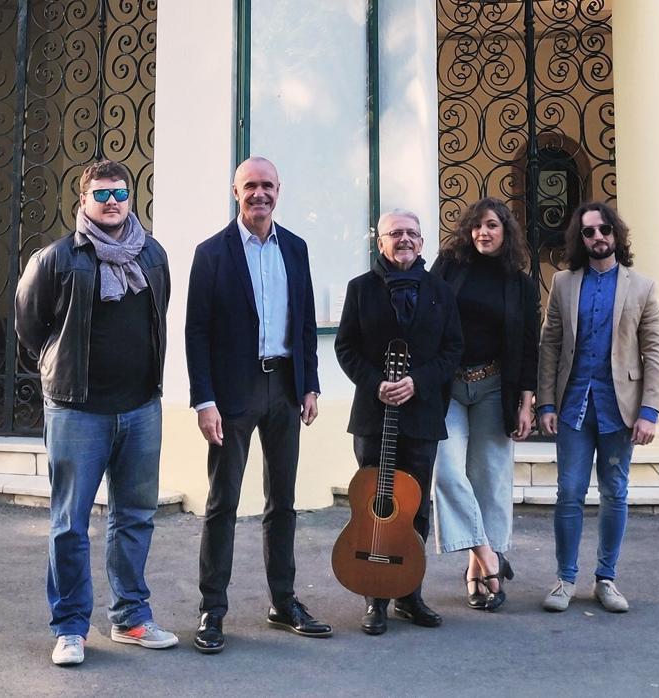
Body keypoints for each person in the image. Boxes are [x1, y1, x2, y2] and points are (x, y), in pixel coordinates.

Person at [15, 159, 176, 666]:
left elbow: (160, 315)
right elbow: (29, 327)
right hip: (77, 411)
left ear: (132, 198)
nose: (112, 202)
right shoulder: (57, 259)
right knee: (69, 523)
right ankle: (69, 628)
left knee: (134, 517)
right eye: (101, 194)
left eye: (120, 193)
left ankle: (130, 617)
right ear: (82, 201)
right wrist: (54, 370)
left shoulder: (152, 255)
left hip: (141, 408)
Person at [184, 156, 329, 654]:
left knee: (283, 501)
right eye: (250, 186)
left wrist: (310, 384)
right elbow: (196, 332)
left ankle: (284, 602)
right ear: (235, 191)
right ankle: (212, 610)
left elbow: (305, 321)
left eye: (267, 185)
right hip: (232, 394)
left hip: (285, 389)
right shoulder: (211, 253)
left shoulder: (296, 248)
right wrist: (204, 400)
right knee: (223, 502)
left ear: (278, 191)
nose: (259, 194)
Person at [335, 208, 463, 635]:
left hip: (422, 415)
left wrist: (417, 382)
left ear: (422, 242)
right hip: (374, 417)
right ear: (380, 242)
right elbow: (346, 347)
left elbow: (452, 350)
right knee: (376, 504)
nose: (404, 240)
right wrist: (376, 384)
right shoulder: (360, 289)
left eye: (411, 233)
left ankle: (410, 594)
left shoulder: (441, 292)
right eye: (395, 234)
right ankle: (376, 599)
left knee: (415, 508)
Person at [537, 201, 659, 614]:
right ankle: (565, 579)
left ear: (616, 234)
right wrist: (546, 402)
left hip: (619, 407)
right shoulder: (563, 283)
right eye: (589, 232)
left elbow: (655, 351)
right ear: (581, 238)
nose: (598, 237)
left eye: (604, 230)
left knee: (615, 492)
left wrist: (650, 411)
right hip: (573, 406)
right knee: (569, 492)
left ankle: (606, 579)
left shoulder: (641, 286)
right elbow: (550, 344)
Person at [429, 198, 539, 612]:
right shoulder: (448, 267)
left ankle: (477, 573)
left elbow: (530, 346)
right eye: (476, 226)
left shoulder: (521, 284)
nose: (482, 233)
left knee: (490, 477)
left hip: (495, 387)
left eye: (491, 225)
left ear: (505, 230)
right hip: (448, 387)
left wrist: (527, 402)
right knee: (446, 469)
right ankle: (489, 555)